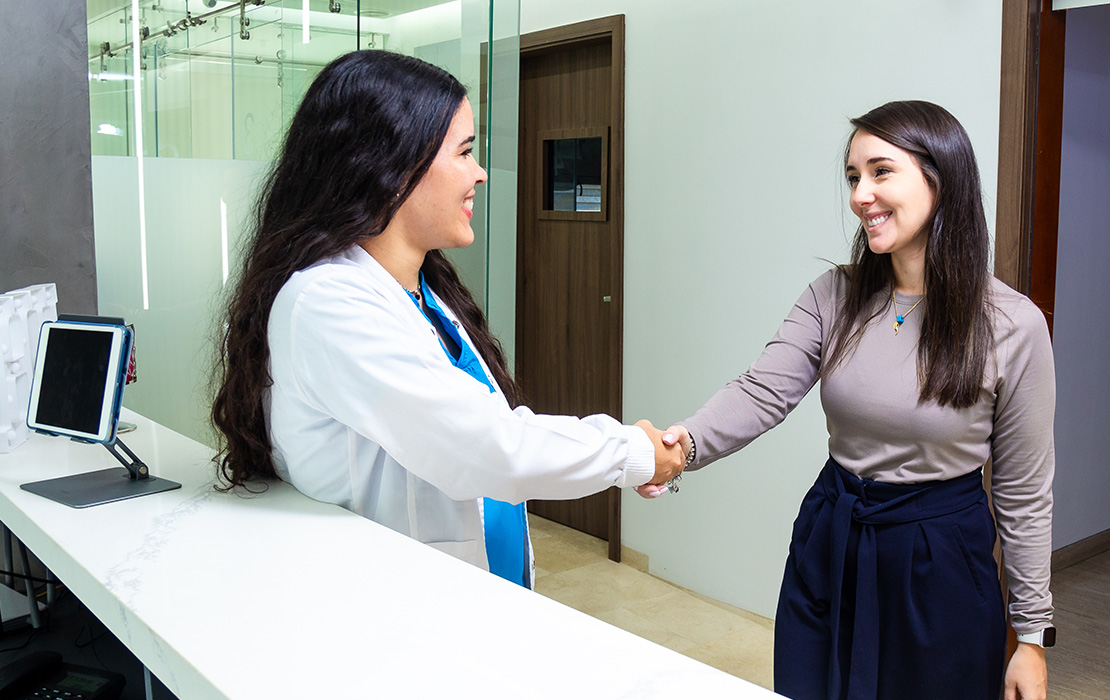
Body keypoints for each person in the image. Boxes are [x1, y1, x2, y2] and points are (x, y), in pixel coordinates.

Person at [210, 50, 683, 590]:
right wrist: (634, 452)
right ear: (390, 167)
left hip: (482, 594)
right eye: (464, 153)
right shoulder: (327, 302)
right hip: (400, 614)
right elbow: (488, 448)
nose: (480, 174)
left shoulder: (424, 291)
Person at [641, 101, 1054, 700]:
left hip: (939, 560)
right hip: (832, 537)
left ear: (943, 179)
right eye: (853, 176)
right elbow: (763, 390)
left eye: (881, 172)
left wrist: (1033, 637)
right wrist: (682, 446)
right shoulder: (834, 294)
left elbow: (1023, 492)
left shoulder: (1011, 325)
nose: (861, 194)